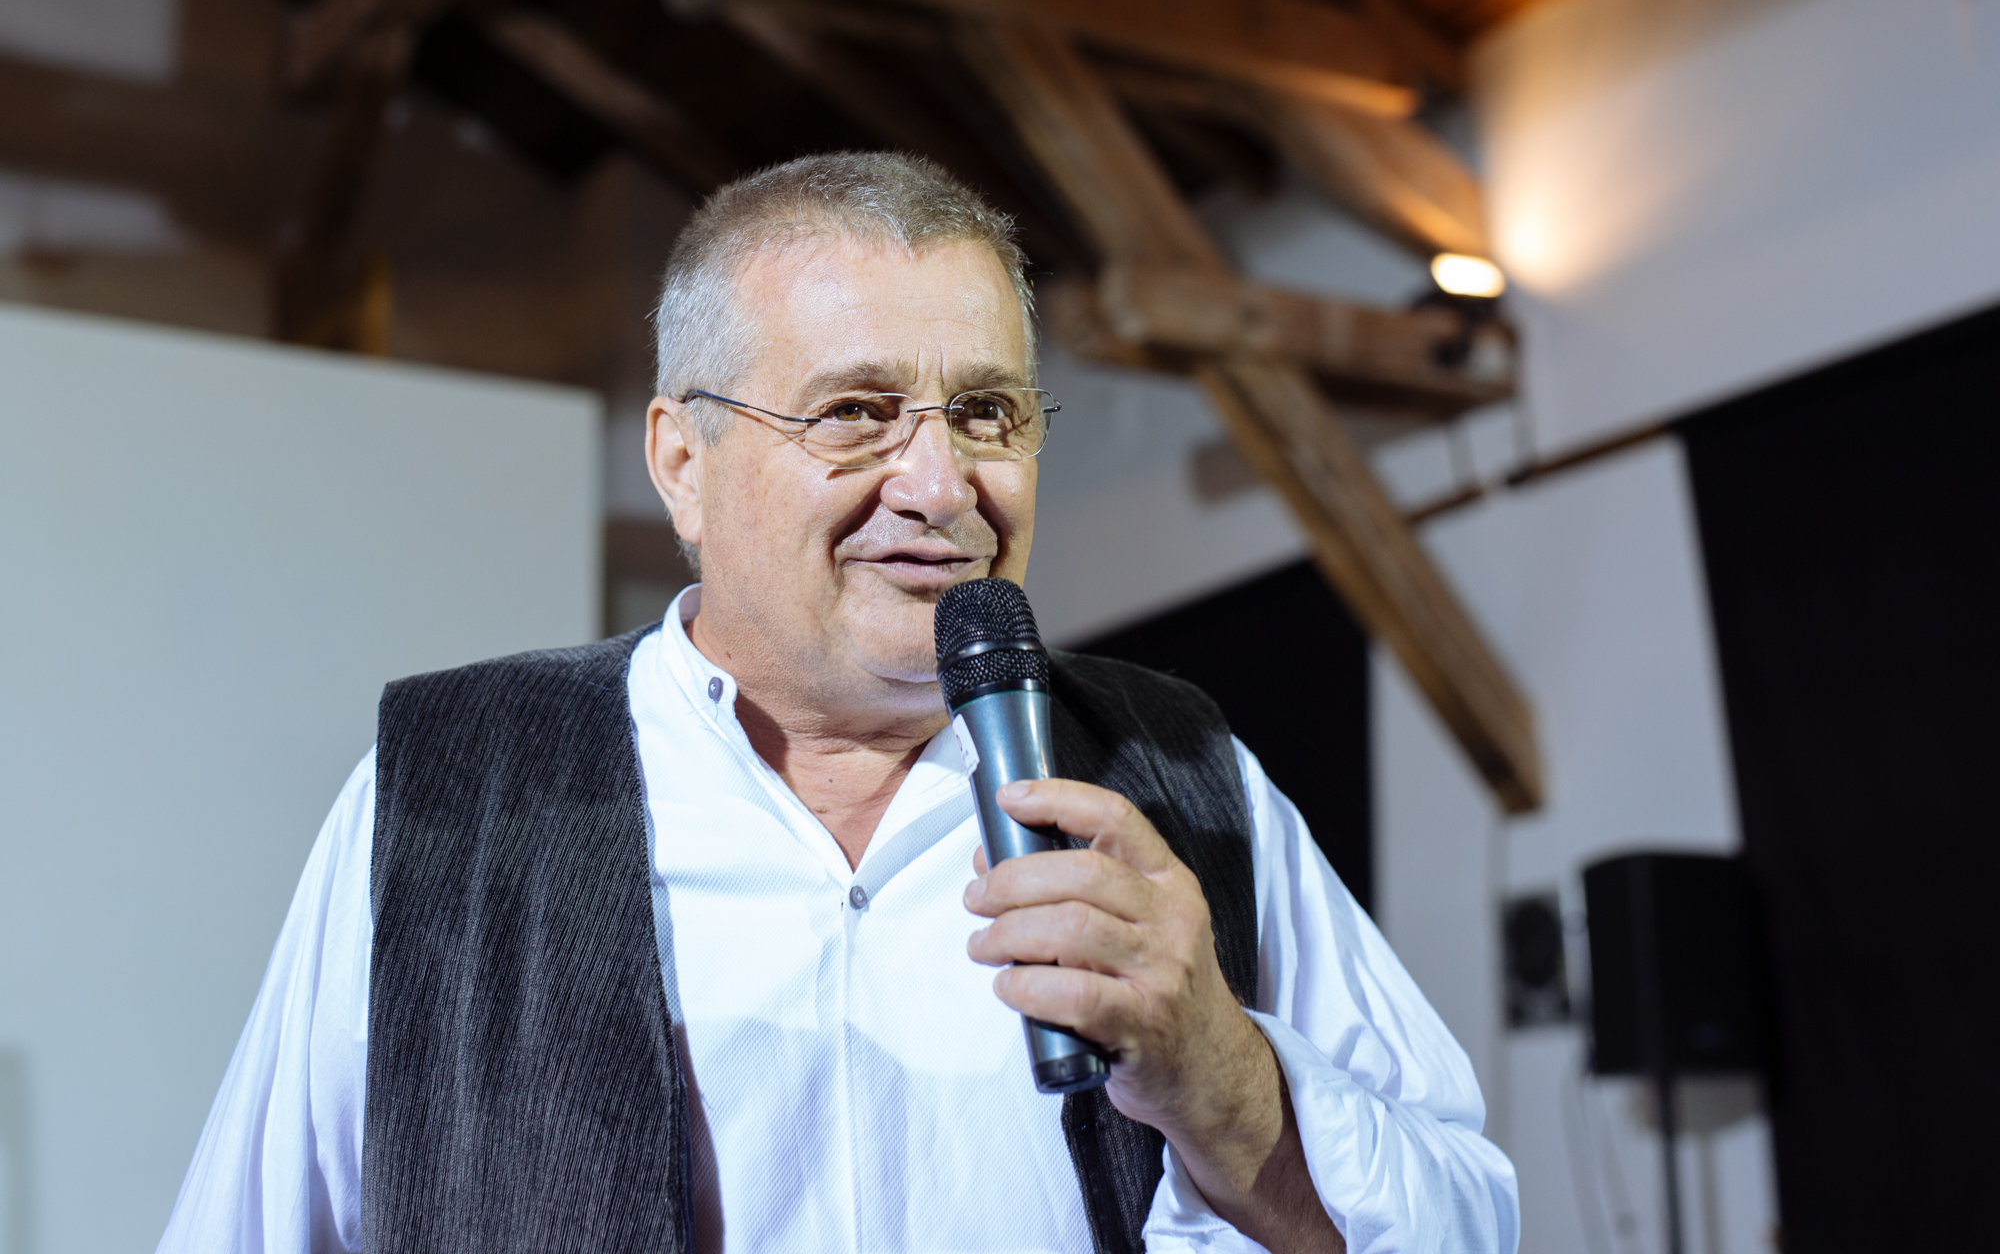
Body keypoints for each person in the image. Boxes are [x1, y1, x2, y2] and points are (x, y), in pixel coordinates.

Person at [157, 153, 1518, 1254]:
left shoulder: (1179, 773)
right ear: (683, 463)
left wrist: (1225, 1079)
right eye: (857, 412)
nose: (939, 485)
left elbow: (1469, 1225)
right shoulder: (452, 799)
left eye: (987, 414)